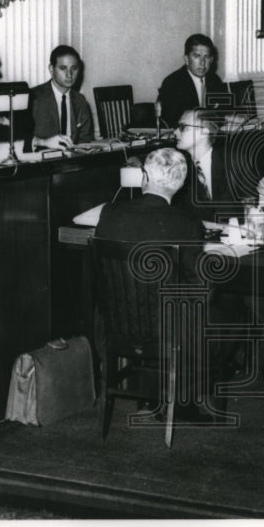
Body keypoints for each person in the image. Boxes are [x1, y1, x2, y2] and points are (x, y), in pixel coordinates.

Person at [94, 147, 216, 423]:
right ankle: (182, 401)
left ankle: (148, 393)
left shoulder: (110, 213)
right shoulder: (186, 222)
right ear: (181, 184)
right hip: (164, 330)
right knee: (208, 309)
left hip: (113, 325)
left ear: (145, 177)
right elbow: (199, 284)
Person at [172, 108, 240, 222]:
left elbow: (253, 204)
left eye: (183, 127)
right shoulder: (178, 167)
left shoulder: (233, 162)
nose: (175, 132)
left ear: (204, 132)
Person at [29, 45, 94, 149]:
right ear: (51, 69)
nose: (69, 74)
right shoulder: (33, 98)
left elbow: (85, 139)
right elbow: (21, 139)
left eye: (74, 68)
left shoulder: (80, 101)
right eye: (63, 68)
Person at [157, 33, 228, 129]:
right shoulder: (172, 83)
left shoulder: (215, 80)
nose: (202, 63)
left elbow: (223, 114)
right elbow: (173, 121)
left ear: (211, 60)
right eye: (197, 56)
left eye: (206, 57)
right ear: (186, 59)